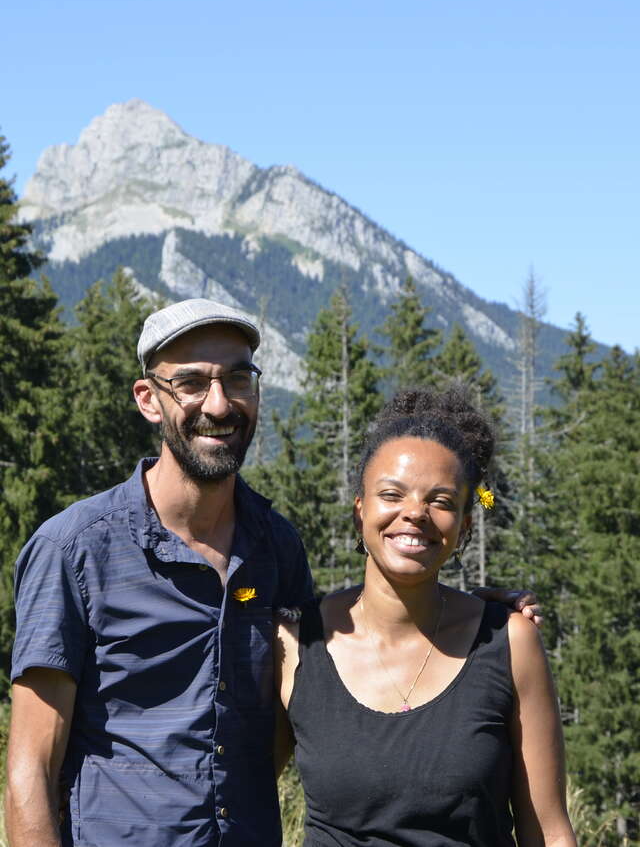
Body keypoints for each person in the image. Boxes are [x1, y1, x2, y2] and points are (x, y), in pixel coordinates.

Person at [5, 299, 542, 847]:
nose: (219, 404)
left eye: (238, 379)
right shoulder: (73, 550)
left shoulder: (276, 547)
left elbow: (325, 679)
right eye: (190, 383)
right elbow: (30, 768)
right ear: (149, 399)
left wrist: (472, 615)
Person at [275, 388, 576, 846]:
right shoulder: (296, 645)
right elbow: (239, 794)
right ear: (360, 512)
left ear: (465, 524)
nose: (414, 513)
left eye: (440, 500)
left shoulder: (509, 643)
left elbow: (549, 833)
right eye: (392, 494)